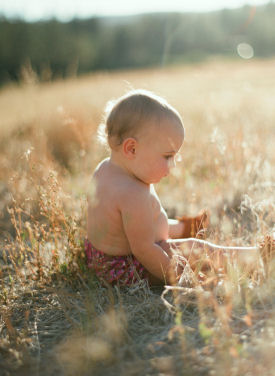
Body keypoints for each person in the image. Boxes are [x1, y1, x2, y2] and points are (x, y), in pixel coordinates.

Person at [86, 89, 269, 287]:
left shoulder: (105, 168)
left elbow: (128, 223)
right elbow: (145, 250)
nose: (172, 164)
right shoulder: (132, 194)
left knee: (154, 220)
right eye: (167, 156)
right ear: (132, 149)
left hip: (99, 256)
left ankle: (186, 227)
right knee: (195, 248)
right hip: (126, 267)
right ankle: (257, 258)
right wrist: (182, 277)